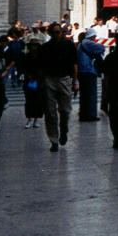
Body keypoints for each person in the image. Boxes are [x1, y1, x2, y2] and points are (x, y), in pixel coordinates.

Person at [37, 23, 78, 152]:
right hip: (49, 79)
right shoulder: (44, 47)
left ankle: (64, 129)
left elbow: (74, 64)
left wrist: (75, 82)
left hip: (64, 78)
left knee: (65, 110)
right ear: (49, 34)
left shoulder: (68, 45)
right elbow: (40, 68)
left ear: (61, 32)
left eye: (58, 32)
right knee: (50, 112)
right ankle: (53, 140)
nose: (56, 35)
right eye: (53, 33)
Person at [76, 32, 105, 122]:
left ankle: (83, 114)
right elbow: (102, 47)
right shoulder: (87, 42)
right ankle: (91, 115)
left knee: (84, 95)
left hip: (82, 71)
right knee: (91, 94)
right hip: (89, 70)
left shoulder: (80, 44)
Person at [19, 41, 45, 128]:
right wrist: (28, 75)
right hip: (29, 80)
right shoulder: (26, 56)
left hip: (39, 80)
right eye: (32, 46)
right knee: (29, 100)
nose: (34, 48)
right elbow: (22, 68)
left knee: (38, 100)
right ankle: (29, 118)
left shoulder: (41, 57)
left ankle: (36, 119)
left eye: (35, 46)